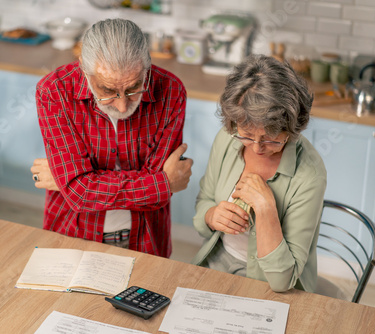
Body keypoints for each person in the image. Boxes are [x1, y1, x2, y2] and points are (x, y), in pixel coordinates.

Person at [32, 18, 193, 258]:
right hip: (72, 234)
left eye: (133, 88)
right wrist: (161, 184)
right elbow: (79, 194)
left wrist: (73, 182)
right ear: (84, 70)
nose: (122, 104)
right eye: (107, 90)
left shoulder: (171, 90)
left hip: (146, 238)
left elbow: (81, 189)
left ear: (147, 67)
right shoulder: (53, 91)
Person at [191, 54, 327, 293]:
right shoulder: (228, 137)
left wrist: (266, 209)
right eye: (246, 135)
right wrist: (211, 216)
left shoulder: (310, 175)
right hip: (216, 262)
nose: (256, 147)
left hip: (268, 283)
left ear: (292, 127)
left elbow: (282, 280)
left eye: (270, 138)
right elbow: (204, 203)